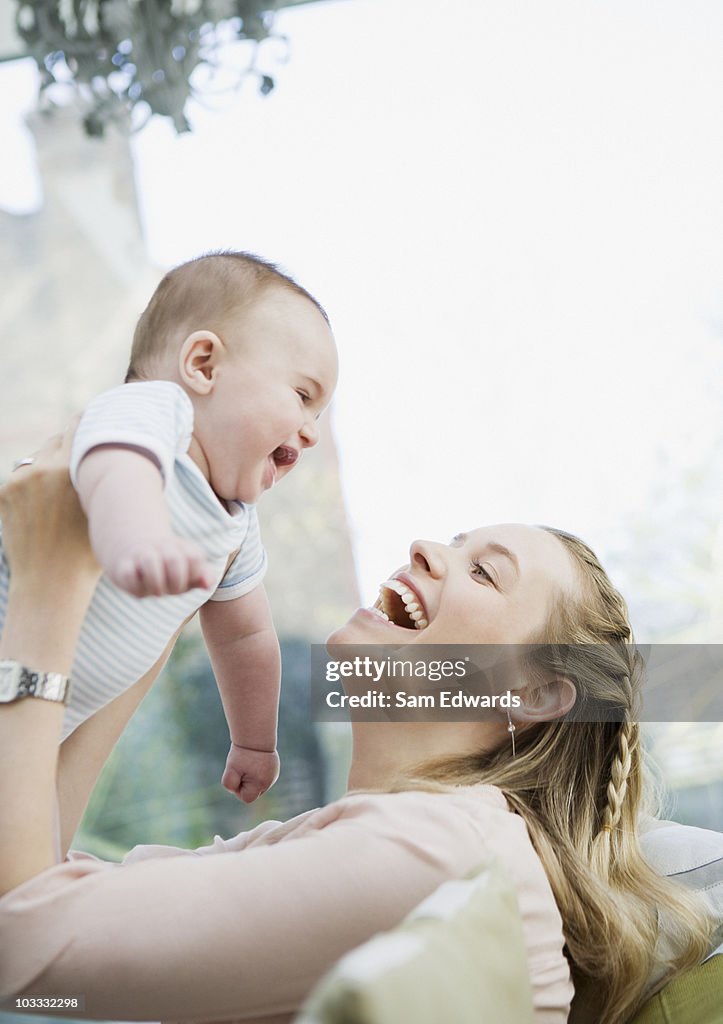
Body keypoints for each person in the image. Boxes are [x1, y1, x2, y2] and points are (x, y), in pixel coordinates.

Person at [0, 438, 714, 1024]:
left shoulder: (434, 853)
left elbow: (20, 947)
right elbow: (48, 884)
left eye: (484, 573)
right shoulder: (391, 836)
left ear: (532, 694)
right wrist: (155, 617)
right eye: (455, 541)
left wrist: (49, 587)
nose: (426, 547)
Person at [0, 251, 339, 804]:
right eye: (303, 396)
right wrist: (136, 540)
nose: (311, 433)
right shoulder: (154, 414)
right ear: (203, 364)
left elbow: (248, 637)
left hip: (39, 720)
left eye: (319, 416)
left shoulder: (235, 525)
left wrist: (254, 743)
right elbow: (117, 471)